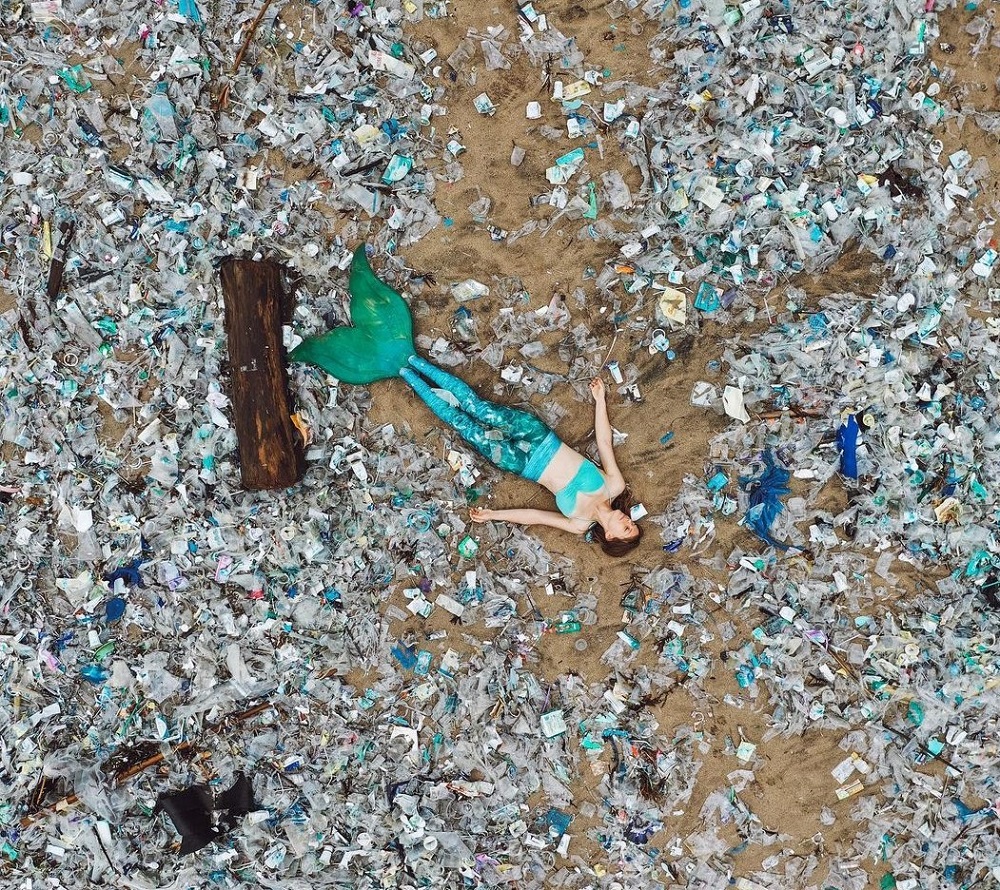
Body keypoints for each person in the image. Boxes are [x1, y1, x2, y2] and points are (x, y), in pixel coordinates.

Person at [399, 355, 642, 556]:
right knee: (477, 407)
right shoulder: (614, 486)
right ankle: (415, 361)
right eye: (632, 524)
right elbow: (604, 443)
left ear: (610, 536)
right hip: (539, 437)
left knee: (464, 424)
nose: (628, 522)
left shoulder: (579, 524)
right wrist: (600, 401)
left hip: (519, 462)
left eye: (627, 529)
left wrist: (493, 515)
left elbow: (535, 516)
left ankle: (406, 374)